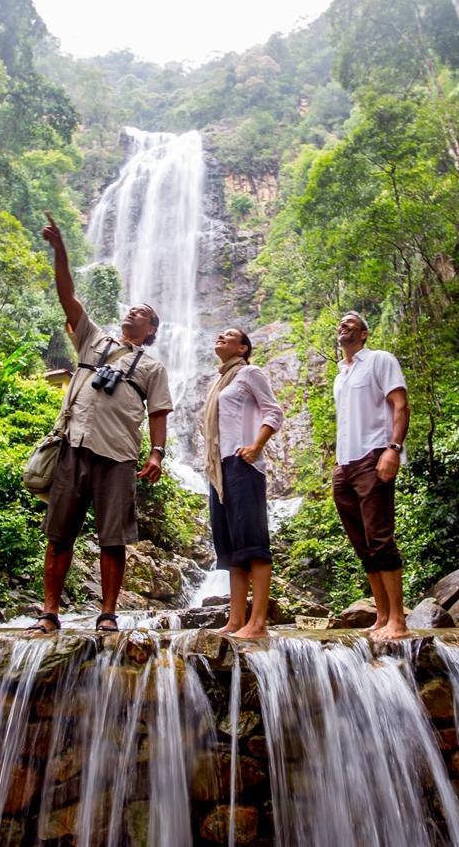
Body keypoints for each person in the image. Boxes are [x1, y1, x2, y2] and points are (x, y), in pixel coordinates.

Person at [27, 214, 173, 634]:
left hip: (118, 457)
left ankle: (107, 614)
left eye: (143, 313)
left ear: (151, 330)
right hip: (74, 445)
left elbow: (159, 413)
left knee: (113, 538)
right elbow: (67, 295)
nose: (133, 312)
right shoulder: (93, 338)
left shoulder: (153, 367)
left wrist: (157, 453)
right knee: (59, 535)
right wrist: (60, 251)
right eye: (131, 309)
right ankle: (49, 613)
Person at [332, 311, 411, 641]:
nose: (343, 325)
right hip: (345, 464)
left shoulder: (380, 360)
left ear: (363, 334)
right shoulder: (341, 375)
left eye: (350, 323)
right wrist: (338, 465)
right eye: (341, 323)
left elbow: (400, 405)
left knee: (379, 537)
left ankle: (398, 620)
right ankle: (381, 615)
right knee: (362, 543)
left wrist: (393, 449)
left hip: (374, 454)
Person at [201, 328, 284, 638]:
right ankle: (236, 621)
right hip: (219, 469)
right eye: (219, 334)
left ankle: (258, 622)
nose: (221, 336)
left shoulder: (250, 373)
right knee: (234, 549)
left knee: (253, 544)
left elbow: (273, 411)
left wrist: (256, 446)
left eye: (229, 335)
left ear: (243, 348)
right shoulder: (219, 382)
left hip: (243, 464)